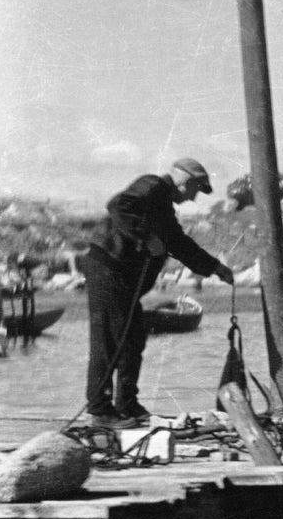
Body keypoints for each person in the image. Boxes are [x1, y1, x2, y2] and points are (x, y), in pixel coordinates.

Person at [81, 158, 235, 427]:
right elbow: (119, 205)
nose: (193, 198)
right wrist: (146, 238)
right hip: (108, 268)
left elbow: (180, 244)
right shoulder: (152, 185)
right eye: (195, 190)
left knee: (133, 338)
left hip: (120, 277)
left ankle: (126, 405)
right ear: (185, 181)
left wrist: (215, 268)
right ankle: (100, 411)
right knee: (109, 339)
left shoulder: (163, 207)